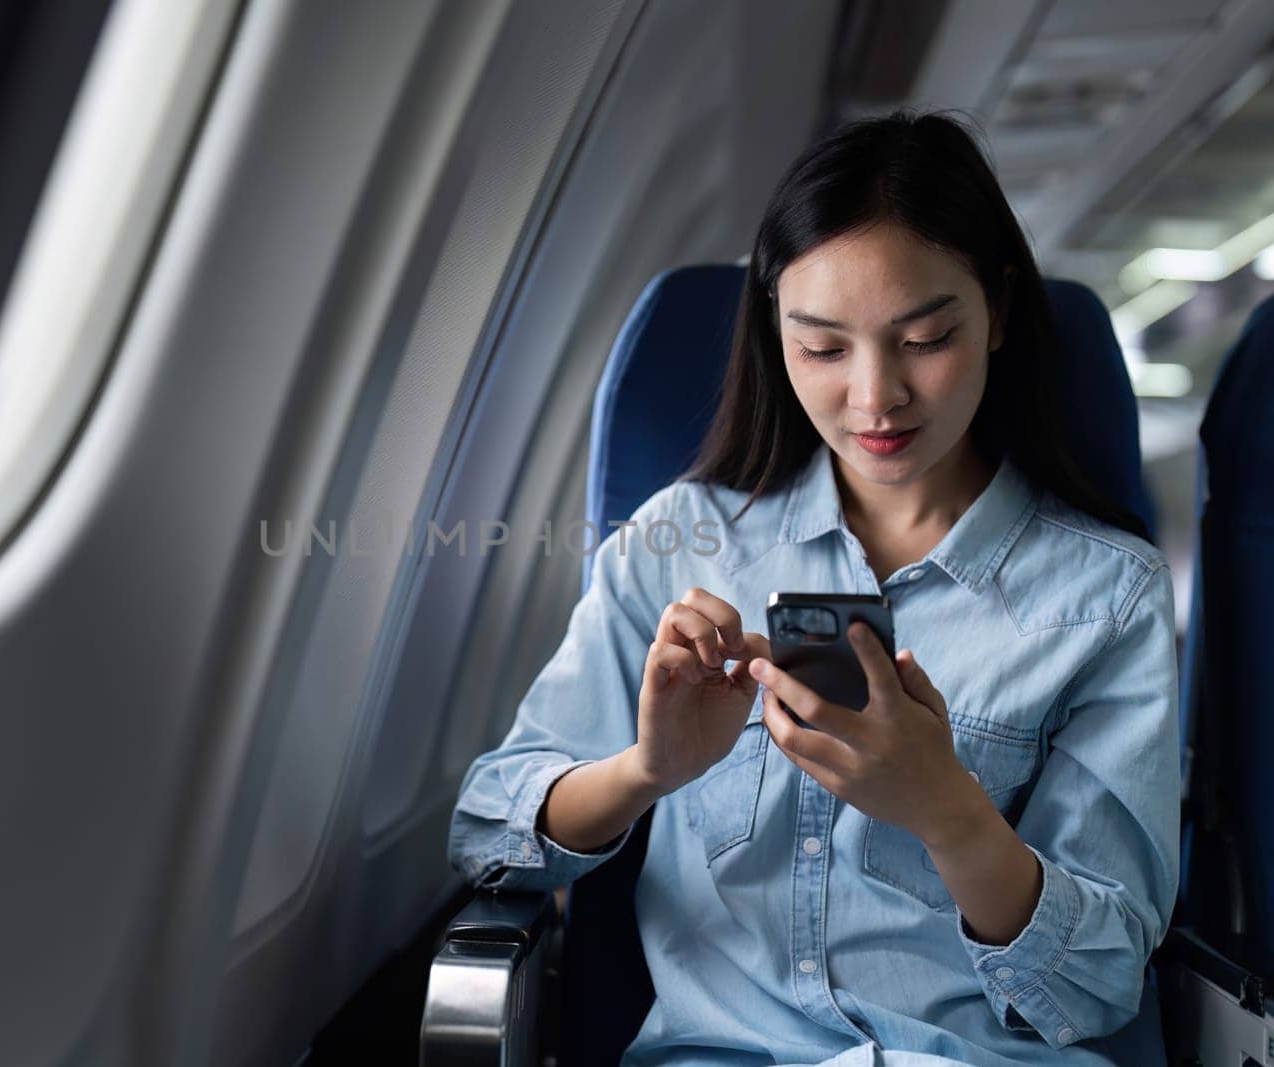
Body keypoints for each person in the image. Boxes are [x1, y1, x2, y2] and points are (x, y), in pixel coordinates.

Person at [446, 110, 1178, 1066]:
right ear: (775, 335)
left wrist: (944, 807)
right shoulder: (681, 543)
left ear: (997, 312)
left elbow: (1101, 983)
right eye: (825, 349)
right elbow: (490, 831)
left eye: (924, 338)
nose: (875, 398)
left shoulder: (1107, 597)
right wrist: (647, 771)